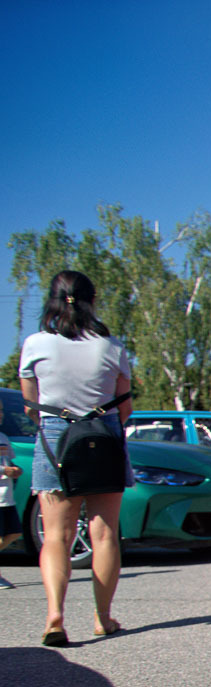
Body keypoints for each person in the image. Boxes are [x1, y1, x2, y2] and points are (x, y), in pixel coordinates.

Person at [18, 270, 134, 645]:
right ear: (92, 301)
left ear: (52, 300)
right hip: (104, 436)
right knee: (105, 533)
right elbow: (125, 407)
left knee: (56, 535)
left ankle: (55, 616)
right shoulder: (111, 346)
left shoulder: (35, 344)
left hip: (55, 437)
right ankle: (103, 618)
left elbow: (31, 405)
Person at [0, 430, 21, 588]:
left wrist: (15, 469)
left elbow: (8, 461)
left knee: (15, 532)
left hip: (7, 497)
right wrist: (3, 471)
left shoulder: (3, 437)